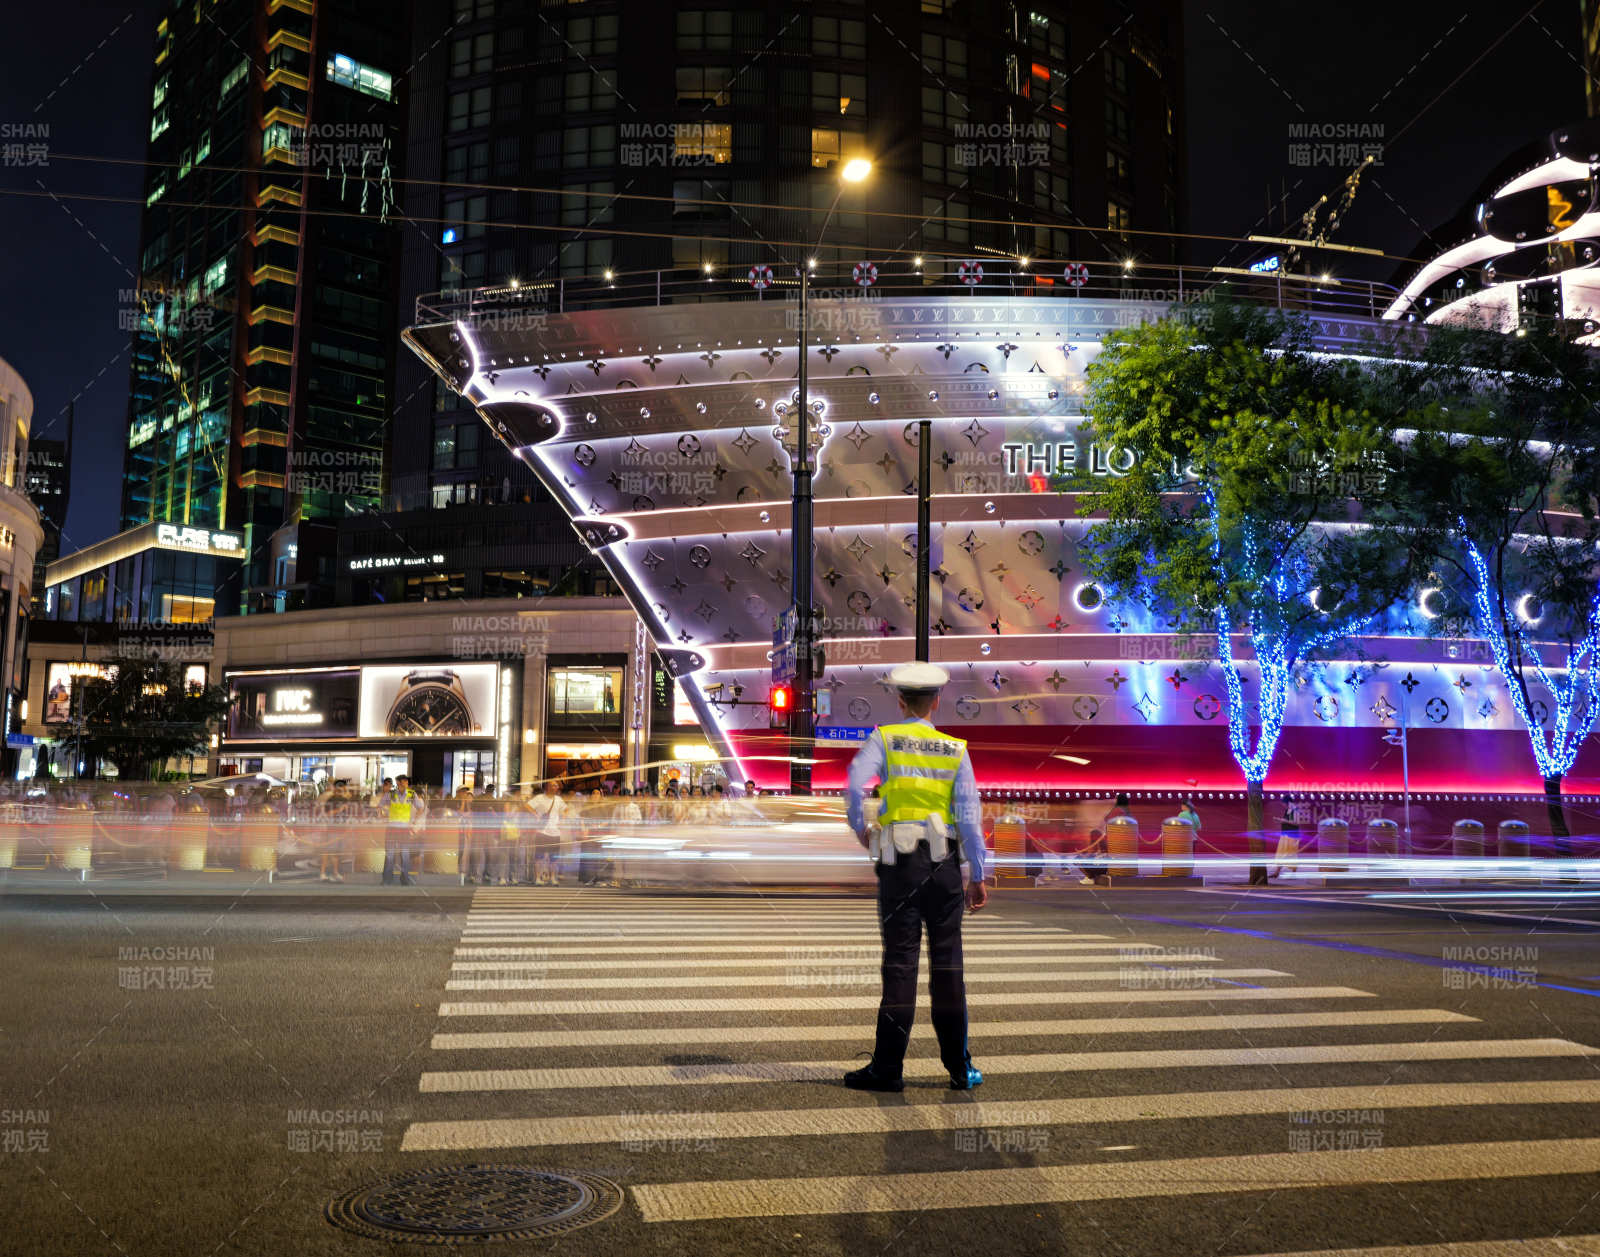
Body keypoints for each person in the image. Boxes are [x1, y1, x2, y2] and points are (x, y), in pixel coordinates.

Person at [844, 661, 988, 1094]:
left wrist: (862, 829)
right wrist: (977, 874)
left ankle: (888, 1069)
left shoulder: (883, 739)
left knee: (900, 964)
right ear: (937, 702)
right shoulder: (955, 749)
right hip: (944, 865)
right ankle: (960, 1069)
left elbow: (853, 785)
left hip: (899, 864)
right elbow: (969, 816)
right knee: (948, 967)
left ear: (901, 700)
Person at [525, 779, 568, 885]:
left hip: (555, 832)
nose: (555, 787)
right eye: (553, 785)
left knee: (554, 858)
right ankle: (538, 878)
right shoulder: (540, 798)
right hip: (542, 831)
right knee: (539, 856)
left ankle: (553, 878)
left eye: (556, 786)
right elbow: (527, 806)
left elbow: (566, 809)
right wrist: (536, 815)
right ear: (547, 787)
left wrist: (563, 818)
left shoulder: (558, 799)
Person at [382, 775, 418, 885]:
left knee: (405, 855)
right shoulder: (391, 794)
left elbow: (421, 807)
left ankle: (405, 879)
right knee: (390, 855)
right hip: (392, 828)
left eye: (405, 782)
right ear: (397, 783)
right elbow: (380, 806)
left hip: (404, 829)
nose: (403, 784)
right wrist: (384, 815)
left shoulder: (412, 794)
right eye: (401, 782)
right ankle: (387, 879)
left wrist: (413, 821)